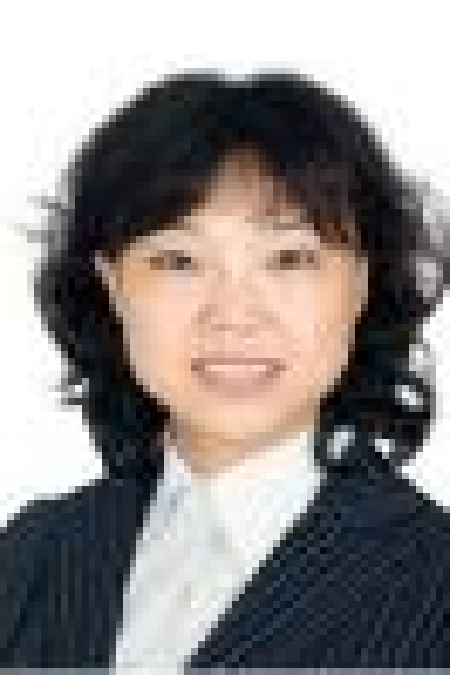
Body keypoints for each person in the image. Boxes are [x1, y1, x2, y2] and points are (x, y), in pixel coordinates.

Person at [2, 69, 450, 670]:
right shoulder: (33, 553)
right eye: (179, 260)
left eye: (289, 258)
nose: (234, 316)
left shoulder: (434, 579)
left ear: (363, 283)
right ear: (112, 286)